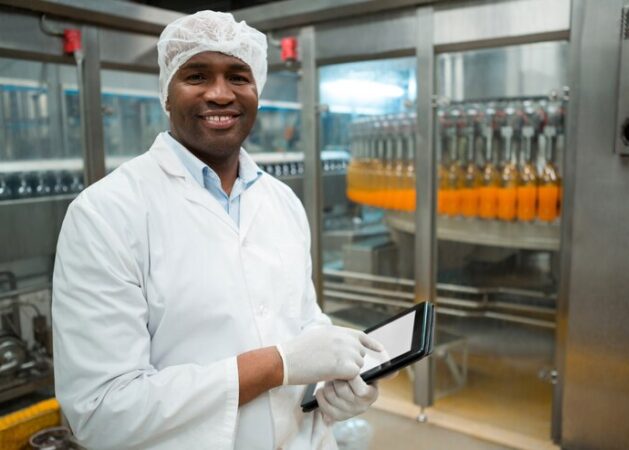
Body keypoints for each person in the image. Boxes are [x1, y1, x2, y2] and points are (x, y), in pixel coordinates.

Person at [52, 11, 384, 450]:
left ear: (257, 92)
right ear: (166, 95)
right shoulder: (105, 214)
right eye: (196, 75)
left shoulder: (281, 201)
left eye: (238, 77)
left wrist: (332, 388)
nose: (221, 93)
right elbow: (103, 410)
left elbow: (302, 322)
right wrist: (275, 365)